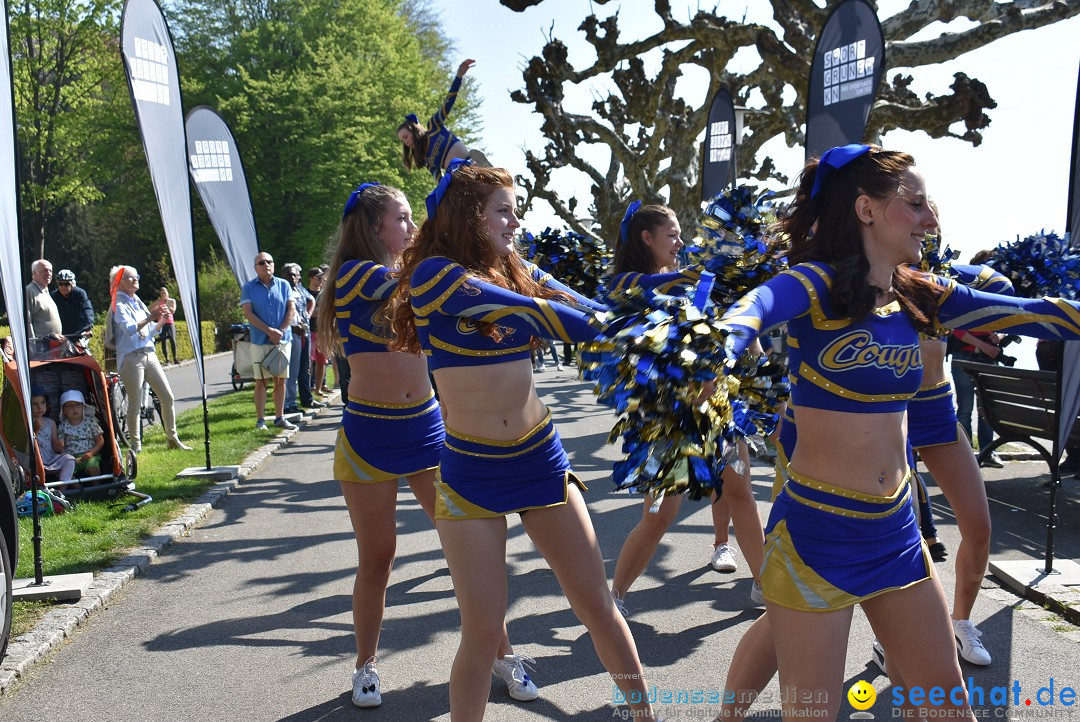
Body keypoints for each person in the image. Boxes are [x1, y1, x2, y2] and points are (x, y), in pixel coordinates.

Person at [717, 144, 1080, 720]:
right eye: (914, 205)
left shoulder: (920, 293)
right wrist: (722, 340)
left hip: (896, 532)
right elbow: (755, 306)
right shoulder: (814, 284)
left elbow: (1034, 312)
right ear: (866, 208)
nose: (930, 219)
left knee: (948, 709)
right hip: (817, 535)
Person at [390, 162, 658, 720]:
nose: (515, 221)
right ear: (470, 216)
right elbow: (539, 313)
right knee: (484, 632)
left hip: (539, 458)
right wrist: (615, 334)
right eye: (502, 210)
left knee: (599, 608)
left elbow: (588, 307)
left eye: (516, 210)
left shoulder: (517, 267)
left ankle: (644, 715)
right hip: (470, 471)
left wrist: (664, 333)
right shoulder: (434, 276)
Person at [316, 181, 535, 709]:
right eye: (403, 219)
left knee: (469, 555)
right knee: (378, 557)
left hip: (428, 429)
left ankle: (502, 653)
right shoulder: (353, 277)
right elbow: (404, 280)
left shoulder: (420, 276)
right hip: (369, 435)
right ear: (373, 228)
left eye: (416, 219)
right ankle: (365, 665)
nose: (412, 228)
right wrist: (448, 242)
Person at [604, 202, 766, 615]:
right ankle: (615, 596)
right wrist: (696, 276)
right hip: (668, 422)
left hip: (717, 412)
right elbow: (641, 304)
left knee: (741, 493)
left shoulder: (691, 286)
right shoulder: (629, 283)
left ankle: (766, 585)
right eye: (673, 235)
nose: (680, 242)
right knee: (660, 515)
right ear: (647, 238)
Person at [109, 265, 191, 453]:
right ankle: (136, 447)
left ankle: (172, 438)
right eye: (130, 277)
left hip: (148, 353)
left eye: (136, 276)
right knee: (135, 404)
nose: (135, 279)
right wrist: (150, 318)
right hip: (131, 358)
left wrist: (161, 319)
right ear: (118, 282)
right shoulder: (118, 303)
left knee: (167, 397)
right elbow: (129, 329)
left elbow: (150, 331)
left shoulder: (136, 300)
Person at [397, 59, 491, 180]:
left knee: (478, 161)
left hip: (473, 163)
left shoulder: (433, 125)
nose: (406, 142)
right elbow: (437, 176)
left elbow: (448, 103)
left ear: (414, 129)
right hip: (461, 177)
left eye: (405, 137)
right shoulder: (423, 156)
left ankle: (491, 174)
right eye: (403, 141)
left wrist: (459, 76)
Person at [240, 253, 297, 431]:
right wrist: (268, 331)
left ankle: (280, 417)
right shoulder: (249, 287)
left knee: (280, 380)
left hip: (281, 340)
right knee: (261, 381)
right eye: (262, 263)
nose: (266, 265)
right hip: (260, 340)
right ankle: (260, 420)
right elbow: (248, 313)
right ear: (256, 267)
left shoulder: (284, 284)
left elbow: (291, 308)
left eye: (269, 262)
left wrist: (280, 331)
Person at [281, 263, 323, 415]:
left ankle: (307, 399)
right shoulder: (282, 289)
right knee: (291, 370)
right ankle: (289, 402)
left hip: (303, 331)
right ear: (283, 274)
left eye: (296, 274)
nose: (294, 277)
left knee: (305, 368)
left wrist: (307, 315)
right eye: (291, 274)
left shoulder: (300, 289)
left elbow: (311, 299)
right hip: (290, 333)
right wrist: (291, 327)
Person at [32, 389, 75, 485]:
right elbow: (25, 446)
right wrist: (35, 431)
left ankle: (61, 492)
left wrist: (61, 447)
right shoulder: (26, 423)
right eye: (35, 404)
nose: (40, 407)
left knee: (69, 459)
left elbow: (55, 446)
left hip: (51, 459)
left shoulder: (51, 423)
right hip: (36, 461)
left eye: (42, 403)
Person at [58, 389, 104, 478]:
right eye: (69, 406)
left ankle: (97, 487)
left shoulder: (90, 421)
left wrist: (91, 453)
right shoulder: (62, 426)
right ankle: (76, 487)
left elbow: (100, 441)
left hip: (90, 455)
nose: (74, 409)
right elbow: (61, 446)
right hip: (71, 458)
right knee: (64, 471)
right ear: (64, 410)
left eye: (77, 405)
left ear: (83, 407)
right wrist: (64, 453)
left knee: (93, 466)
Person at [51, 270, 95, 346]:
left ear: (73, 283)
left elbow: (87, 310)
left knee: (81, 353)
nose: (63, 287)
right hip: (61, 335)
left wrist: (88, 327)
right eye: (60, 284)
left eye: (66, 284)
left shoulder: (80, 294)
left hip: (78, 334)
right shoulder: (53, 296)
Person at [307, 267, 332, 397]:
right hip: (309, 331)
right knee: (310, 362)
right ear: (311, 278)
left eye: (323, 278)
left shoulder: (324, 294)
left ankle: (319, 388)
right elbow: (309, 314)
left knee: (322, 362)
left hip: (323, 332)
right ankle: (309, 387)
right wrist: (319, 311)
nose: (322, 280)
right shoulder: (305, 293)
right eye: (319, 277)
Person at [26, 259, 63, 339]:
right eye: (45, 270)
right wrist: (32, 345)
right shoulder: (29, 291)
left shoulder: (45, 291)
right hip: (40, 347)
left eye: (50, 271)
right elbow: (27, 321)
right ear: (34, 273)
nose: (49, 274)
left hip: (52, 346)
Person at [154, 287, 178, 364]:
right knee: (163, 340)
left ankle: (175, 358)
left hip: (170, 322)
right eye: (162, 293)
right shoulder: (158, 302)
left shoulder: (171, 301)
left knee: (172, 339)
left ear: (167, 293)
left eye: (164, 292)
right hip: (162, 322)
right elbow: (153, 310)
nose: (163, 294)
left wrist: (169, 307)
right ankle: (167, 359)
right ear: (160, 295)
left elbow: (173, 311)